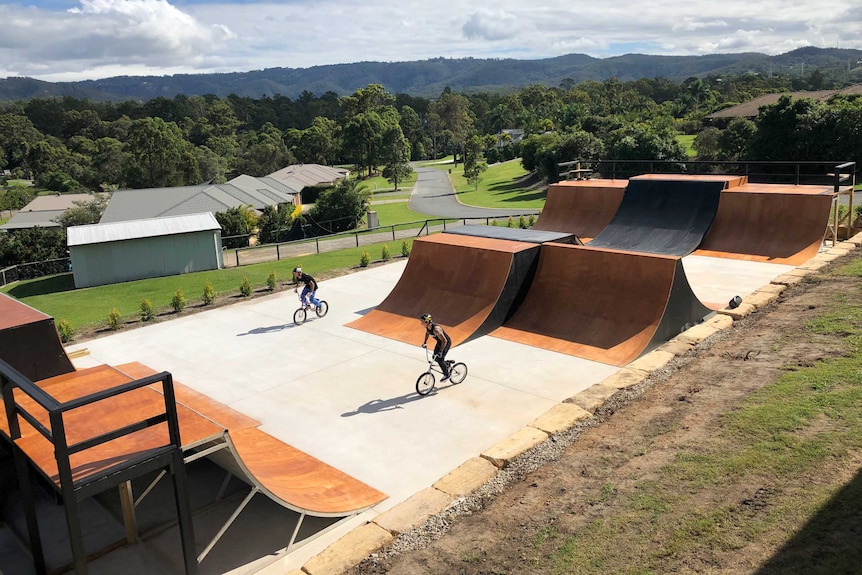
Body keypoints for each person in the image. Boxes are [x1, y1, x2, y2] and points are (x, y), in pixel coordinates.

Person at [420, 313, 452, 381]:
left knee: (440, 359)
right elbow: (427, 333)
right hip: (440, 342)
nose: (421, 323)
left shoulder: (436, 330)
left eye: (422, 322)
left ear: (427, 322)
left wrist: (440, 352)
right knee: (434, 357)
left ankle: (447, 374)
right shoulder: (428, 327)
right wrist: (425, 342)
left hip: (445, 343)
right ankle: (447, 364)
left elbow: (444, 341)